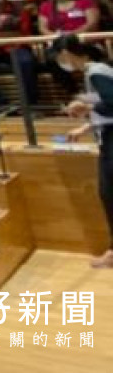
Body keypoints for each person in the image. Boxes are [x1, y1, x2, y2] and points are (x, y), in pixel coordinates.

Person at [58, 35, 113, 269]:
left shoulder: (95, 71)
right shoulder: (98, 70)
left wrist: (86, 107)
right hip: (108, 135)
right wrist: (86, 125)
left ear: (68, 53)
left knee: (109, 194)